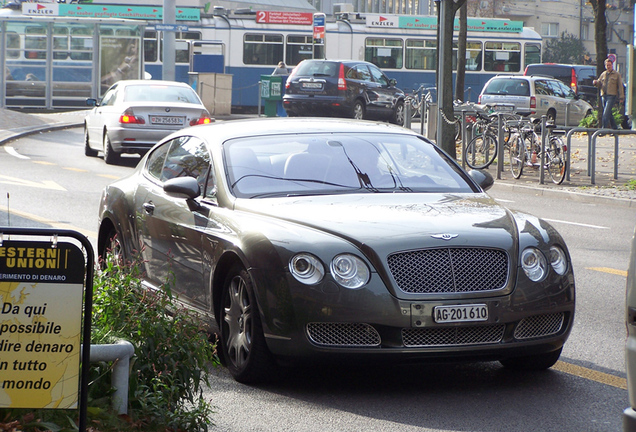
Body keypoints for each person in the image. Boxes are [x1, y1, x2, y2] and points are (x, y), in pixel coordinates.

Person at [593, 58, 625, 129]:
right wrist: (595, 83)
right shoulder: (603, 74)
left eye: (609, 65)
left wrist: (621, 97)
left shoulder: (616, 75)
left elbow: (620, 86)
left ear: (612, 65)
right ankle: (614, 128)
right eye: (607, 65)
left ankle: (603, 129)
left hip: (612, 96)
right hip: (604, 95)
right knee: (609, 113)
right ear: (605, 66)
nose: (608, 67)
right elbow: (599, 83)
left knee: (606, 113)